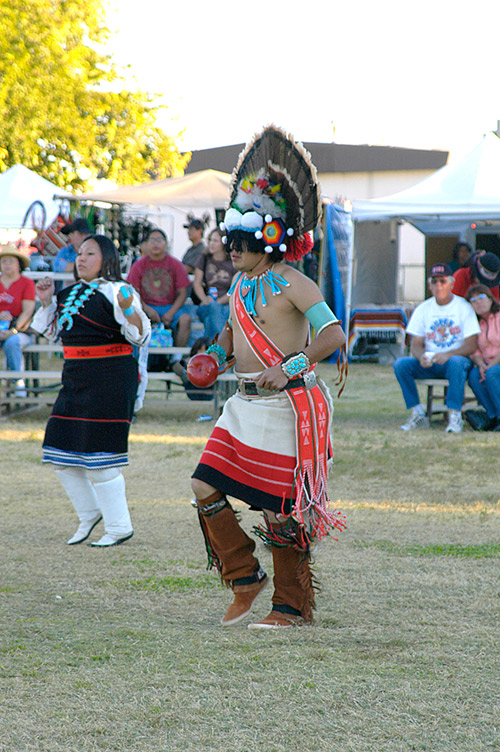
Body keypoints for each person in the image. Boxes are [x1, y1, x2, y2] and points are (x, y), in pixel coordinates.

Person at [190, 125, 346, 630]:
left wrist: (291, 366)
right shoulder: (240, 283)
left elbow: (333, 335)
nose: (230, 249)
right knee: (202, 484)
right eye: (228, 240)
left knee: (280, 510)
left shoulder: (295, 282)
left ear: (268, 240)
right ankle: (243, 576)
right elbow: (233, 339)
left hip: (288, 405)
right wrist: (212, 356)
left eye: (239, 241)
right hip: (243, 404)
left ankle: (292, 606)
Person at [32, 234, 151, 547]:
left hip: (111, 379)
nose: (81, 258)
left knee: (102, 459)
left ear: (107, 258)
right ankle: (89, 513)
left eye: (90, 253)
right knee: (59, 451)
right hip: (75, 378)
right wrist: (46, 302)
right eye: (79, 253)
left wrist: (129, 309)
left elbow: (139, 334)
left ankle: (118, 526)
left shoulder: (119, 290)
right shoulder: (68, 293)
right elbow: (55, 334)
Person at [393, 262, 480, 433]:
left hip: (455, 362)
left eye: (442, 281)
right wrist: (421, 356)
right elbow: (415, 343)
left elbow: (472, 344)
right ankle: (417, 413)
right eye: (434, 281)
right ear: (429, 285)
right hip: (431, 361)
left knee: (456, 363)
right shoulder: (423, 309)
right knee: (401, 365)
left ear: (452, 283)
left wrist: (448, 354)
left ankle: (454, 415)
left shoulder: (463, 307)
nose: (438, 285)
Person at [127, 228, 191, 351]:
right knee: (132, 318)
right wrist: (147, 309)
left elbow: (183, 293)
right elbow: (133, 292)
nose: (156, 244)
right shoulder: (138, 265)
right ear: (146, 245)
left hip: (170, 306)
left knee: (185, 319)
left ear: (166, 244)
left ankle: (176, 359)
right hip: (145, 307)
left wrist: (171, 313)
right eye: (152, 240)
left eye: (159, 240)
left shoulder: (175, 264)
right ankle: (138, 360)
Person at [0, 244, 36, 396]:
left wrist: (12, 331)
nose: (7, 264)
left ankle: (18, 381)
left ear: (18, 264)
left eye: (11, 261)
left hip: (20, 329)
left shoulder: (26, 283)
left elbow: (28, 311)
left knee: (13, 342)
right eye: (4, 261)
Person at [463, 284, 500, 431]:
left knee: (491, 374)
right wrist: (480, 364)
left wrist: (490, 366)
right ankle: (492, 416)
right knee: (474, 375)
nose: (478, 302)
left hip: (496, 363)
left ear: (491, 299)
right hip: (487, 363)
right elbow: (474, 349)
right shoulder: (474, 323)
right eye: (473, 300)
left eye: (481, 297)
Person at [192, 227, 234, 341]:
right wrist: (204, 299)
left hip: (226, 305)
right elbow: (197, 283)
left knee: (210, 319)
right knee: (212, 309)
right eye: (210, 240)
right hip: (207, 303)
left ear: (224, 243)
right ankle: (221, 346)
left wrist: (218, 302)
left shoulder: (233, 261)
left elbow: (234, 289)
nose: (211, 243)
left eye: (215, 241)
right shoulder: (204, 258)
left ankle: (212, 347)